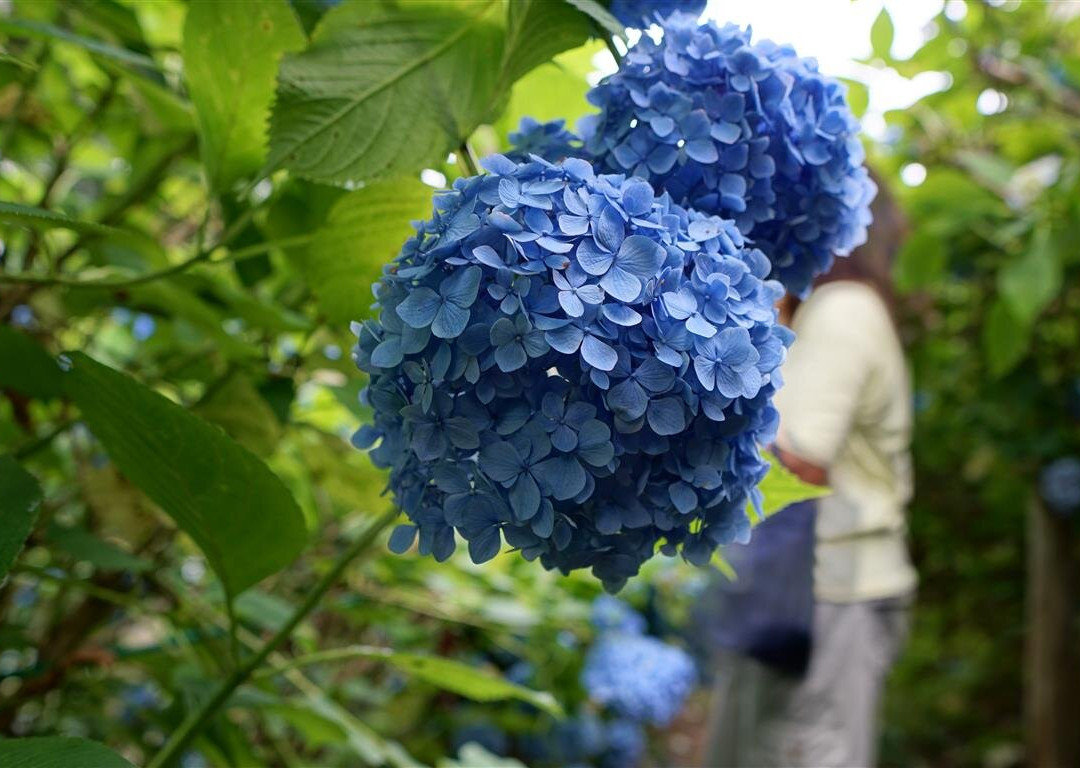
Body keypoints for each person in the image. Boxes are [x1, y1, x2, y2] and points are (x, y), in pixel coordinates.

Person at [700, 173, 917, 768]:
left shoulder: (844, 310)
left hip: (829, 594)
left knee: (810, 751)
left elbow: (799, 457)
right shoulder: (834, 308)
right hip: (809, 586)